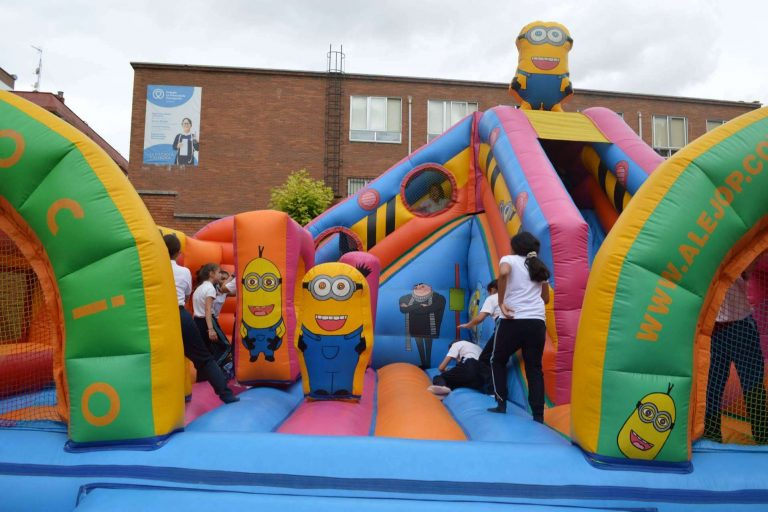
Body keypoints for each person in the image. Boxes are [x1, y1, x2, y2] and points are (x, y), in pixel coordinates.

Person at [163, 235, 238, 404]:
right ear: (179, 253)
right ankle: (226, 394)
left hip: (158, 315)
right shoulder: (184, 272)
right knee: (204, 358)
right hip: (180, 314)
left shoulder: (151, 267)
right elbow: (187, 294)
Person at [484, 232, 550, 422]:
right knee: (534, 368)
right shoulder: (539, 267)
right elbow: (545, 299)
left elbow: (504, 273)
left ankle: (501, 403)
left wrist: (502, 301)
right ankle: (538, 414)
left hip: (514, 319)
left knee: (497, 359)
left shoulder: (509, 259)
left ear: (515, 247)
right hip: (537, 322)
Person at [704, 264, 767, 444]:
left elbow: (747, 270)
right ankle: (711, 435)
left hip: (741, 325)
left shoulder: (737, 258)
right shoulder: (707, 262)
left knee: (753, 385)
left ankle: (762, 436)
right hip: (715, 329)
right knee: (712, 387)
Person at [399, 283, 446, 369]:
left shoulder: (439, 298)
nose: (419, 288)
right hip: (416, 328)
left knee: (428, 346)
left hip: (430, 329)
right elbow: (403, 309)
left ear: (430, 288)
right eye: (416, 287)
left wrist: (411, 307)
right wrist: (420, 305)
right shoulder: (405, 298)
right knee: (419, 346)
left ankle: (428, 363)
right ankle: (424, 364)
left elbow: (431, 309)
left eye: (422, 286)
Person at [459, 280, 500, 345]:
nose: (488, 294)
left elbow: (480, 318)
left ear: (492, 290)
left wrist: (468, 325)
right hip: (520, 322)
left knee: (489, 353)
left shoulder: (492, 298)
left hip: (504, 325)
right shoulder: (512, 297)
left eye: (488, 292)